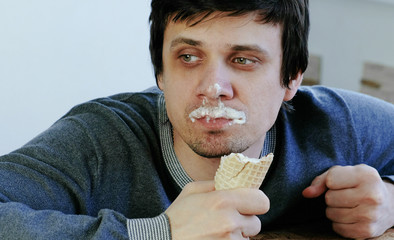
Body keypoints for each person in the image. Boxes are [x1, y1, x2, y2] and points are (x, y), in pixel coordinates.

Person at [0, 0, 393, 239]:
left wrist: (391, 200)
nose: (213, 87)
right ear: (160, 74)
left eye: (243, 60)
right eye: (188, 56)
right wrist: (158, 234)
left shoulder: (338, 125)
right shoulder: (100, 140)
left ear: (291, 78)